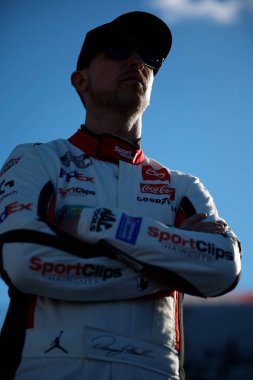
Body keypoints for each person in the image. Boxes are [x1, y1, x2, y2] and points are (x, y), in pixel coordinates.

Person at [0, 11, 241, 380]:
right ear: (80, 81)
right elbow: (22, 262)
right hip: (47, 367)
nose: (137, 62)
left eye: (150, 59)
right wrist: (170, 269)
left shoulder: (183, 187)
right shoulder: (36, 158)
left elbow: (223, 267)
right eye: (117, 50)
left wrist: (96, 224)